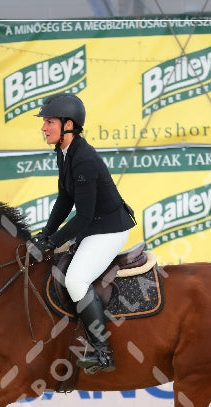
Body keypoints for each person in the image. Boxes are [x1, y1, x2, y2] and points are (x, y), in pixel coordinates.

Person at [27, 92, 137, 373]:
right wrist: (46, 234)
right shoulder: (64, 152)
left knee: (75, 281)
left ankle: (103, 352)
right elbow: (65, 199)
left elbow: (85, 216)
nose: (43, 128)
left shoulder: (84, 159)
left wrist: (53, 241)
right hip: (93, 227)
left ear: (68, 125)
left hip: (108, 230)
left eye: (49, 122)